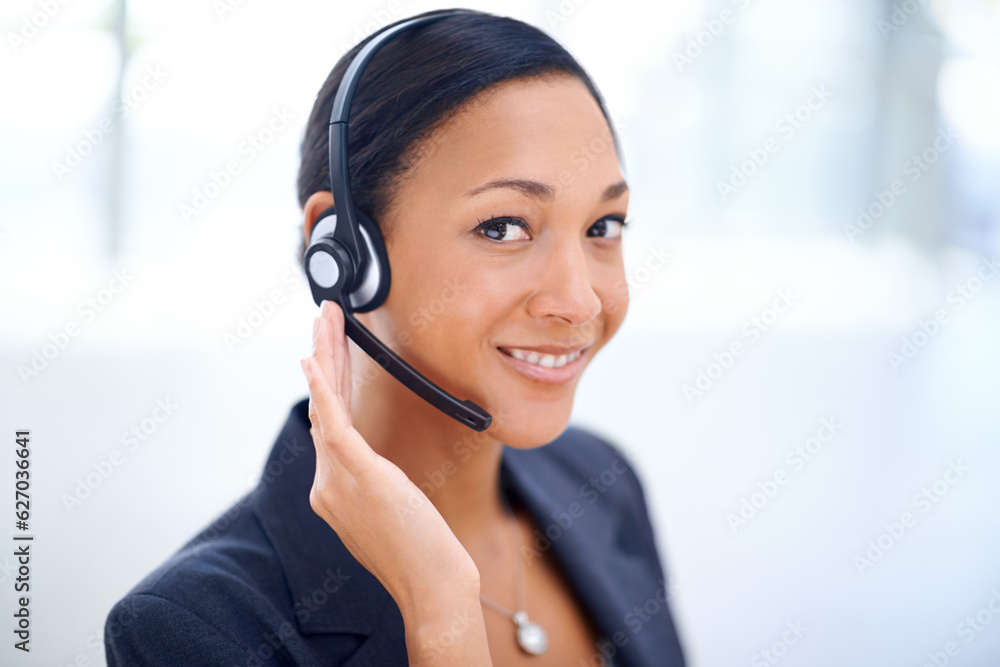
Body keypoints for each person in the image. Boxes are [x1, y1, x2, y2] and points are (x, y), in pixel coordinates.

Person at [104, 8, 686, 666]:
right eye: (503, 226)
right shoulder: (198, 627)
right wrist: (439, 612)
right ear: (345, 250)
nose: (578, 299)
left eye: (604, 226)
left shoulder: (600, 481)